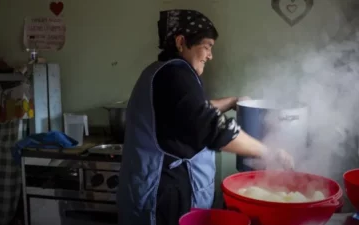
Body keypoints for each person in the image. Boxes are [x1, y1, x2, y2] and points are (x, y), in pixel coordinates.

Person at [117, 9, 294, 225]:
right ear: (182, 42)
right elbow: (214, 129)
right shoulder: (176, 75)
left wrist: (230, 101)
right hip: (166, 197)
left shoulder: (160, 71)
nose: (210, 55)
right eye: (207, 46)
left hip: (153, 189)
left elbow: (192, 112)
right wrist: (269, 152)